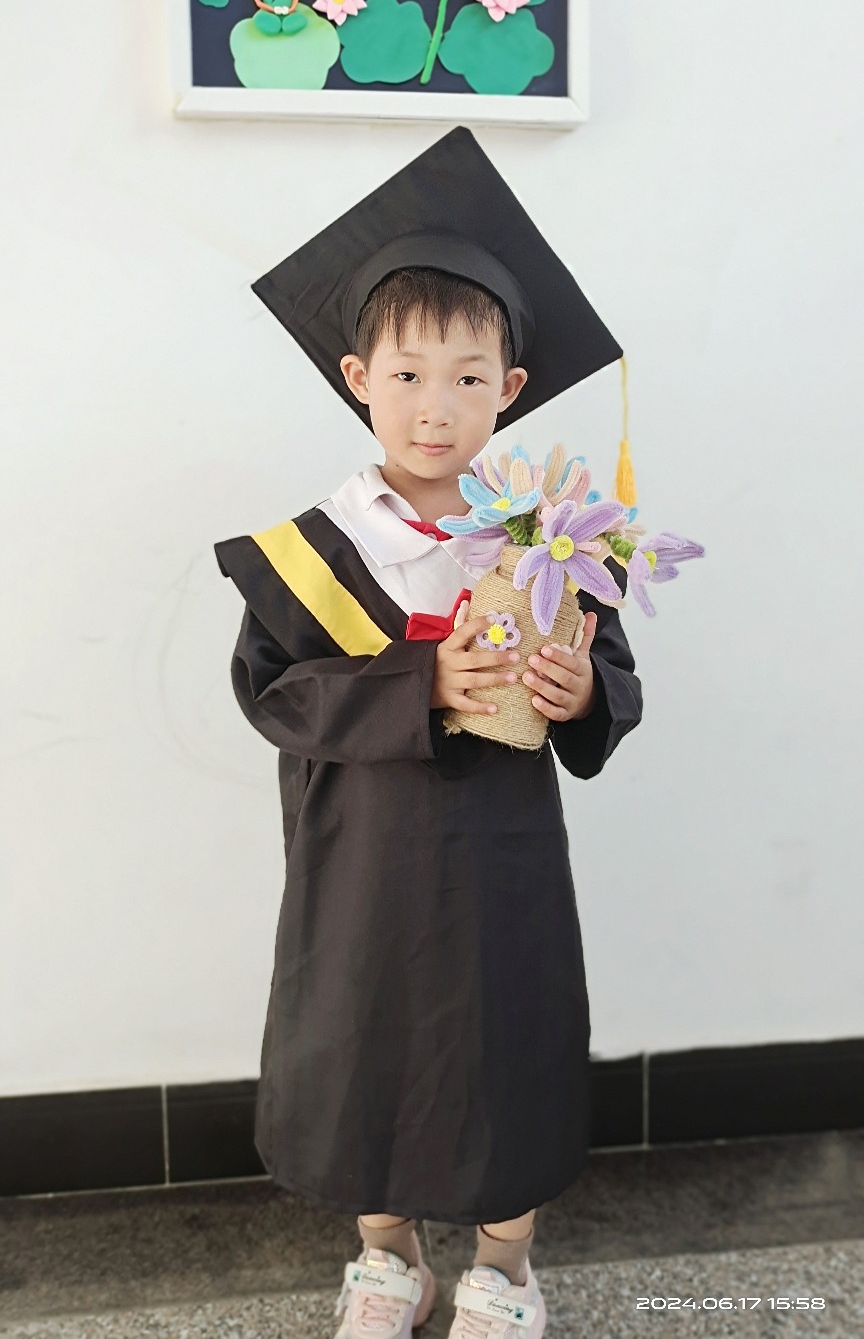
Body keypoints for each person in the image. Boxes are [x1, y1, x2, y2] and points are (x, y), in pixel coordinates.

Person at [213, 127, 643, 1339]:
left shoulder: (549, 538)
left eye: (467, 377)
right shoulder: (314, 552)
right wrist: (424, 684)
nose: (435, 406)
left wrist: (579, 692)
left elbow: (611, 684)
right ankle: (388, 1259)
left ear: (511, 387)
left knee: (505, 1048)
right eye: (407, 375)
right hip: (359, 859)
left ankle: (504, 1270)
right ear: (358, 378)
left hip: (502, 860)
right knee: (367, 1045)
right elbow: (273, 695)